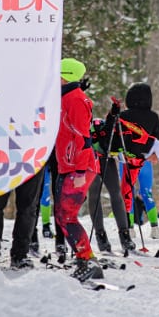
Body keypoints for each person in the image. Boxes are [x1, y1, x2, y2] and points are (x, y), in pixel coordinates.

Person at [54, 58, 103, 281]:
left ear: (65, 76)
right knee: (63, 215)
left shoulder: (75, 99)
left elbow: (84, 138)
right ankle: (84, 258)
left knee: (67, 215)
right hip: (69, 164)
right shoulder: (66, 97)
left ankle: (87, 260)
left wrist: (81, 172)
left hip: (79, 167)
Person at [115, 82, 159, 241]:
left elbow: (117, 137)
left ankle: (130, 228)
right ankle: (154, 226)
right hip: (145, 159)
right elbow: (158, 139)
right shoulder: (153, 116)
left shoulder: (123, 116)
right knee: (146, 192)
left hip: (127, 159)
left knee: (128, 192)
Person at [88, 115, 133, 254]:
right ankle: (101, 236)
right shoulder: (87, 124)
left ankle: (125, 235)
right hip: (91, 160)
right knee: (95, 195)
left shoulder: (103, 123)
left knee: (115, 194)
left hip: (107, 159)